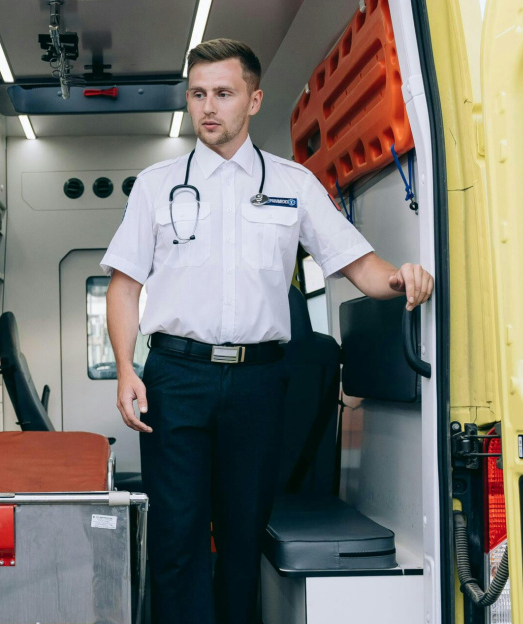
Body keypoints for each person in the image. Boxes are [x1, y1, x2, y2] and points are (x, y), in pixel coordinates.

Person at [101, 39, 434, 624]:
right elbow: (124, 288)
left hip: (258, 382)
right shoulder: (155, 185)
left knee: (241, 536)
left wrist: (402, 277)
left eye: (223, 94)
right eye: (198, 94)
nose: (209, 107)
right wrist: (127, 368)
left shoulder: (294, 184)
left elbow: (359, 267)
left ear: (253, 101)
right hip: (174, 378)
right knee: (176, 540)